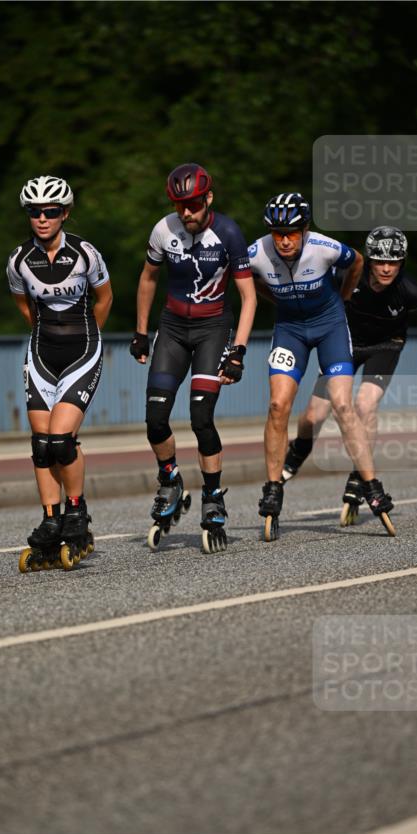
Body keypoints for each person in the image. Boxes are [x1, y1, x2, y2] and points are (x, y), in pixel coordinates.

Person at [248, 193, 395, 537]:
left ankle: (371, 484)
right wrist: (275, 299)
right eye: (277, 232)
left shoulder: (325, 247)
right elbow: (244, 282)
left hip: (329, 325)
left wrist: (343, 297)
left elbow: (357, 262)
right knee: (277, 405)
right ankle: (273, 489)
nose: (284, 240)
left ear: (306, 230)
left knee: (343, 405)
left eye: (292, 232)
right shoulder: (256, 254)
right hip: (290, 331)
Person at [131, 162, 256, 552]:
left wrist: (238, 352)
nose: (187, 213)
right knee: (155, 420)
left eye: (194, 205)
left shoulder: (229, 233)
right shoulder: (162, 230)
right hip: (171, 329)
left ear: (209, 199)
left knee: (201, 417)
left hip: (212, 329)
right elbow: (148, 278)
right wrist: (140, 331)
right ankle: (170, 480)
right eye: (180, 205)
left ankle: (214, 497)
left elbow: (249, 297)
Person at [283, 226, 417, 522]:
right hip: (344, 344)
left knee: (364, 405)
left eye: (394, 262)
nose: (386, 269)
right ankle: (299, 451)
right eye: (379, 261)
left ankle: (360, 475)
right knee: (313, 416)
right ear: (369, 261)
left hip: (385, 347)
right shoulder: (344, 277)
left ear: (403, 262)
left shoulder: (410, 292)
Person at [7, 175, 113, 570]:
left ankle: (76, 511)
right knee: (40, 445)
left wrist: (90, 335)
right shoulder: (18, 260)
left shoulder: (85, 253)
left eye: (50, 211)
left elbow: (104, 298)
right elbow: (25, 308)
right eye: (34, 212)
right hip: (41, 353)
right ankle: (52, 520)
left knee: (61, 440)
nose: (42, 218)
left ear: (65, 213)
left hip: (82, 350)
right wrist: (43, 335)